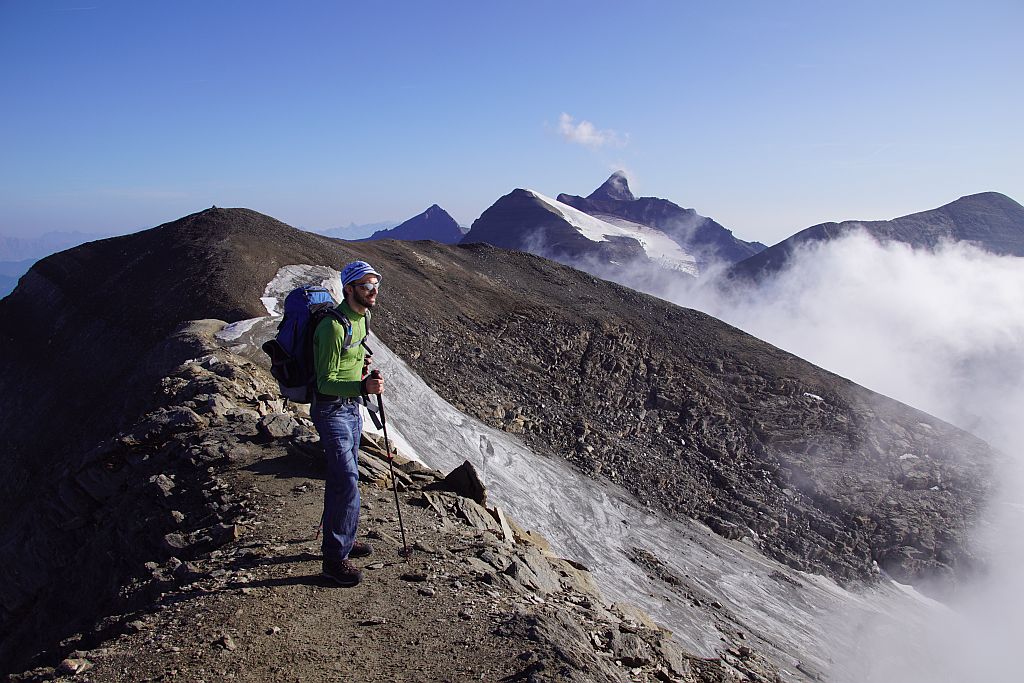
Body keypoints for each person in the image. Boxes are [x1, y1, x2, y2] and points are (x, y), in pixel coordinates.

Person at [311, 260, 384, 586]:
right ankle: (334, 560)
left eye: (375, 285)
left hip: (351, 409)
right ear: (349, 289)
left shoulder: (362, 318)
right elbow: (324, 382)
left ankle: (344, 538)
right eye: (367, 286)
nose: (373, 292)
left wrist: (360, 364)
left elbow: (350, 357)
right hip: (331, 410)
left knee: (345, 477)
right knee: (347, 479)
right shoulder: (332, 327)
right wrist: (361, 387)